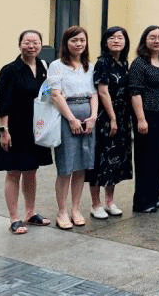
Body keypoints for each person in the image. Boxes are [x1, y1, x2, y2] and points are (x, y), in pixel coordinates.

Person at [0, 29, 53, 234]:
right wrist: (4, 130)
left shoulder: (44, 67)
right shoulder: (10, 70)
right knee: (13, 172)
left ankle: (30, 212)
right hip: (15, 127)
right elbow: (3, 102)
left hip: (37, 127)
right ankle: (14, 218)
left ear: (41, 45)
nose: (31, 46)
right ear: (20, 44)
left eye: (36, 42)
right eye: (27, 42)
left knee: (31, 170)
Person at [48, 26, 97, 230]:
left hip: (88, 117)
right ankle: (62, 211)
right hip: (67, 116)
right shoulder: (57, 65)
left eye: (82, 40)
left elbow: (94, 93)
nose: (78, 44)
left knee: (81, 166)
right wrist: (71, 119)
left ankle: (76, 209)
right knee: (66, 167)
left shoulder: (89, 66)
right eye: (74, 40)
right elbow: (55, 95)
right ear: (66, 43)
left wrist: (93, 117)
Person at [86, 26, 132, 220]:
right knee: (100, 160)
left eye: (120, 37)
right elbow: (103, 91)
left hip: (122, 116)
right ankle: (95, 204)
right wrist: (112, 117)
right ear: (105, 42)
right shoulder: (102, 62)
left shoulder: (124, 62)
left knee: (116, 159)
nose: (116, 41)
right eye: (111, 38)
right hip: (105, 117)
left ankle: (109, 201)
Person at [129, 25, 159, 213]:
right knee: (145, 159)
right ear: (144, 41)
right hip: (147, 115)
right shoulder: (140, 63)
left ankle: (154, 197)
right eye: (152, 37)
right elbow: (135, 92)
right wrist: (141, 119)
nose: (157, 41)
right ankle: (142, 202)